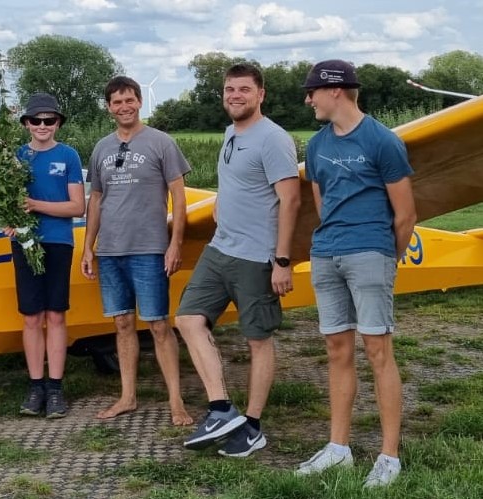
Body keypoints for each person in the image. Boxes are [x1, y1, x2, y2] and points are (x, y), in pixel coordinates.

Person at [295, 60, 416, 488]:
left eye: (312, 92)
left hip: (371, 253)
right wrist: (332, 243)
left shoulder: (383, 141)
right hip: (327, 254)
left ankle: (389, 456)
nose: (308, 99)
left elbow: (406, 215)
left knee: (377, 350)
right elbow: (322, 203)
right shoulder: (315, 145)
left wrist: (385, 256)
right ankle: (338, 448)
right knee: (336, 349)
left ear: (337, 92)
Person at [175, 63, 301, 457]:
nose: (235, 95)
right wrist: (221, 207)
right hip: (220, 247)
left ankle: (253, 426)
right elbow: (238, 184)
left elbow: (291, 199)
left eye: (244, 89)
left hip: (256, 255)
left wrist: (282, 260)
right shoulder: (231, 133)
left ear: (261, 94)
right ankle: (220, 409)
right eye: (230, 89)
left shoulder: (273, 138)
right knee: (187, 319)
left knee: (257, 340)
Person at [81, 76, 193, 426]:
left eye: (129, 100)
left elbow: (178, 195)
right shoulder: (101, 148)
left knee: (159, 325)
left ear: (139, 101)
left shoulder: (161, 142)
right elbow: (96, 199)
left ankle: (176, 401)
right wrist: (88, 247)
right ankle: (127, 397)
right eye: (116, 102)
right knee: (122, 322)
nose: (124, 107)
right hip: (111, 250)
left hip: (149, 247)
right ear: (109, 107)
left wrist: (175, 243)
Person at [6, 93, 85, 418]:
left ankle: (55, 388)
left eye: (48, 120)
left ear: (57, 123)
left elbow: (77, 206)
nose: (42, 126)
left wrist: (36, 205)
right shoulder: (13, 157)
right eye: (35, 120)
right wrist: (10, 219)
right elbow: (8, 203)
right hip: (25, 243)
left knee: (55, 315)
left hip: (57, 242)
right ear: (26, 124)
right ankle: (35, 386)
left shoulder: (68, 156)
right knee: (31, 317)